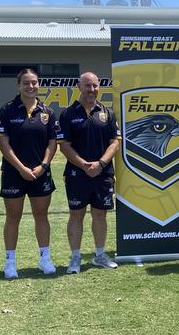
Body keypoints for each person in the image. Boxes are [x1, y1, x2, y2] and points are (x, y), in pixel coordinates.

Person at [0, 69, 58, 279]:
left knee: (41, 216)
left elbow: (52, 142)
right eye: (26, 83)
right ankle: (10, 263)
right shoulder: (7, 110)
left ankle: (45, 259)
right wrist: (21, 168)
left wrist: (43, 166)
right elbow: (3, 143)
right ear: (18, 85)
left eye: (34, 83)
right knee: (13, 217)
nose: (31, 87)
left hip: (40, 172)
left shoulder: (47, 111)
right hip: (14, 173)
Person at [57, 71, 121, 274]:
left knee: (100, 214)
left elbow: (115, 142)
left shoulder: (107, 113)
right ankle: (75, 258)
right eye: (88, 86)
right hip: (77, 173)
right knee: (76, 215)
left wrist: (101, 164)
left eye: (95, 86)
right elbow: (64, 145)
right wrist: (84, 165)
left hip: (102, 173)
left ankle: (100, 255)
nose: (92, 90)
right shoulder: (67, 114)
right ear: (79, 87)